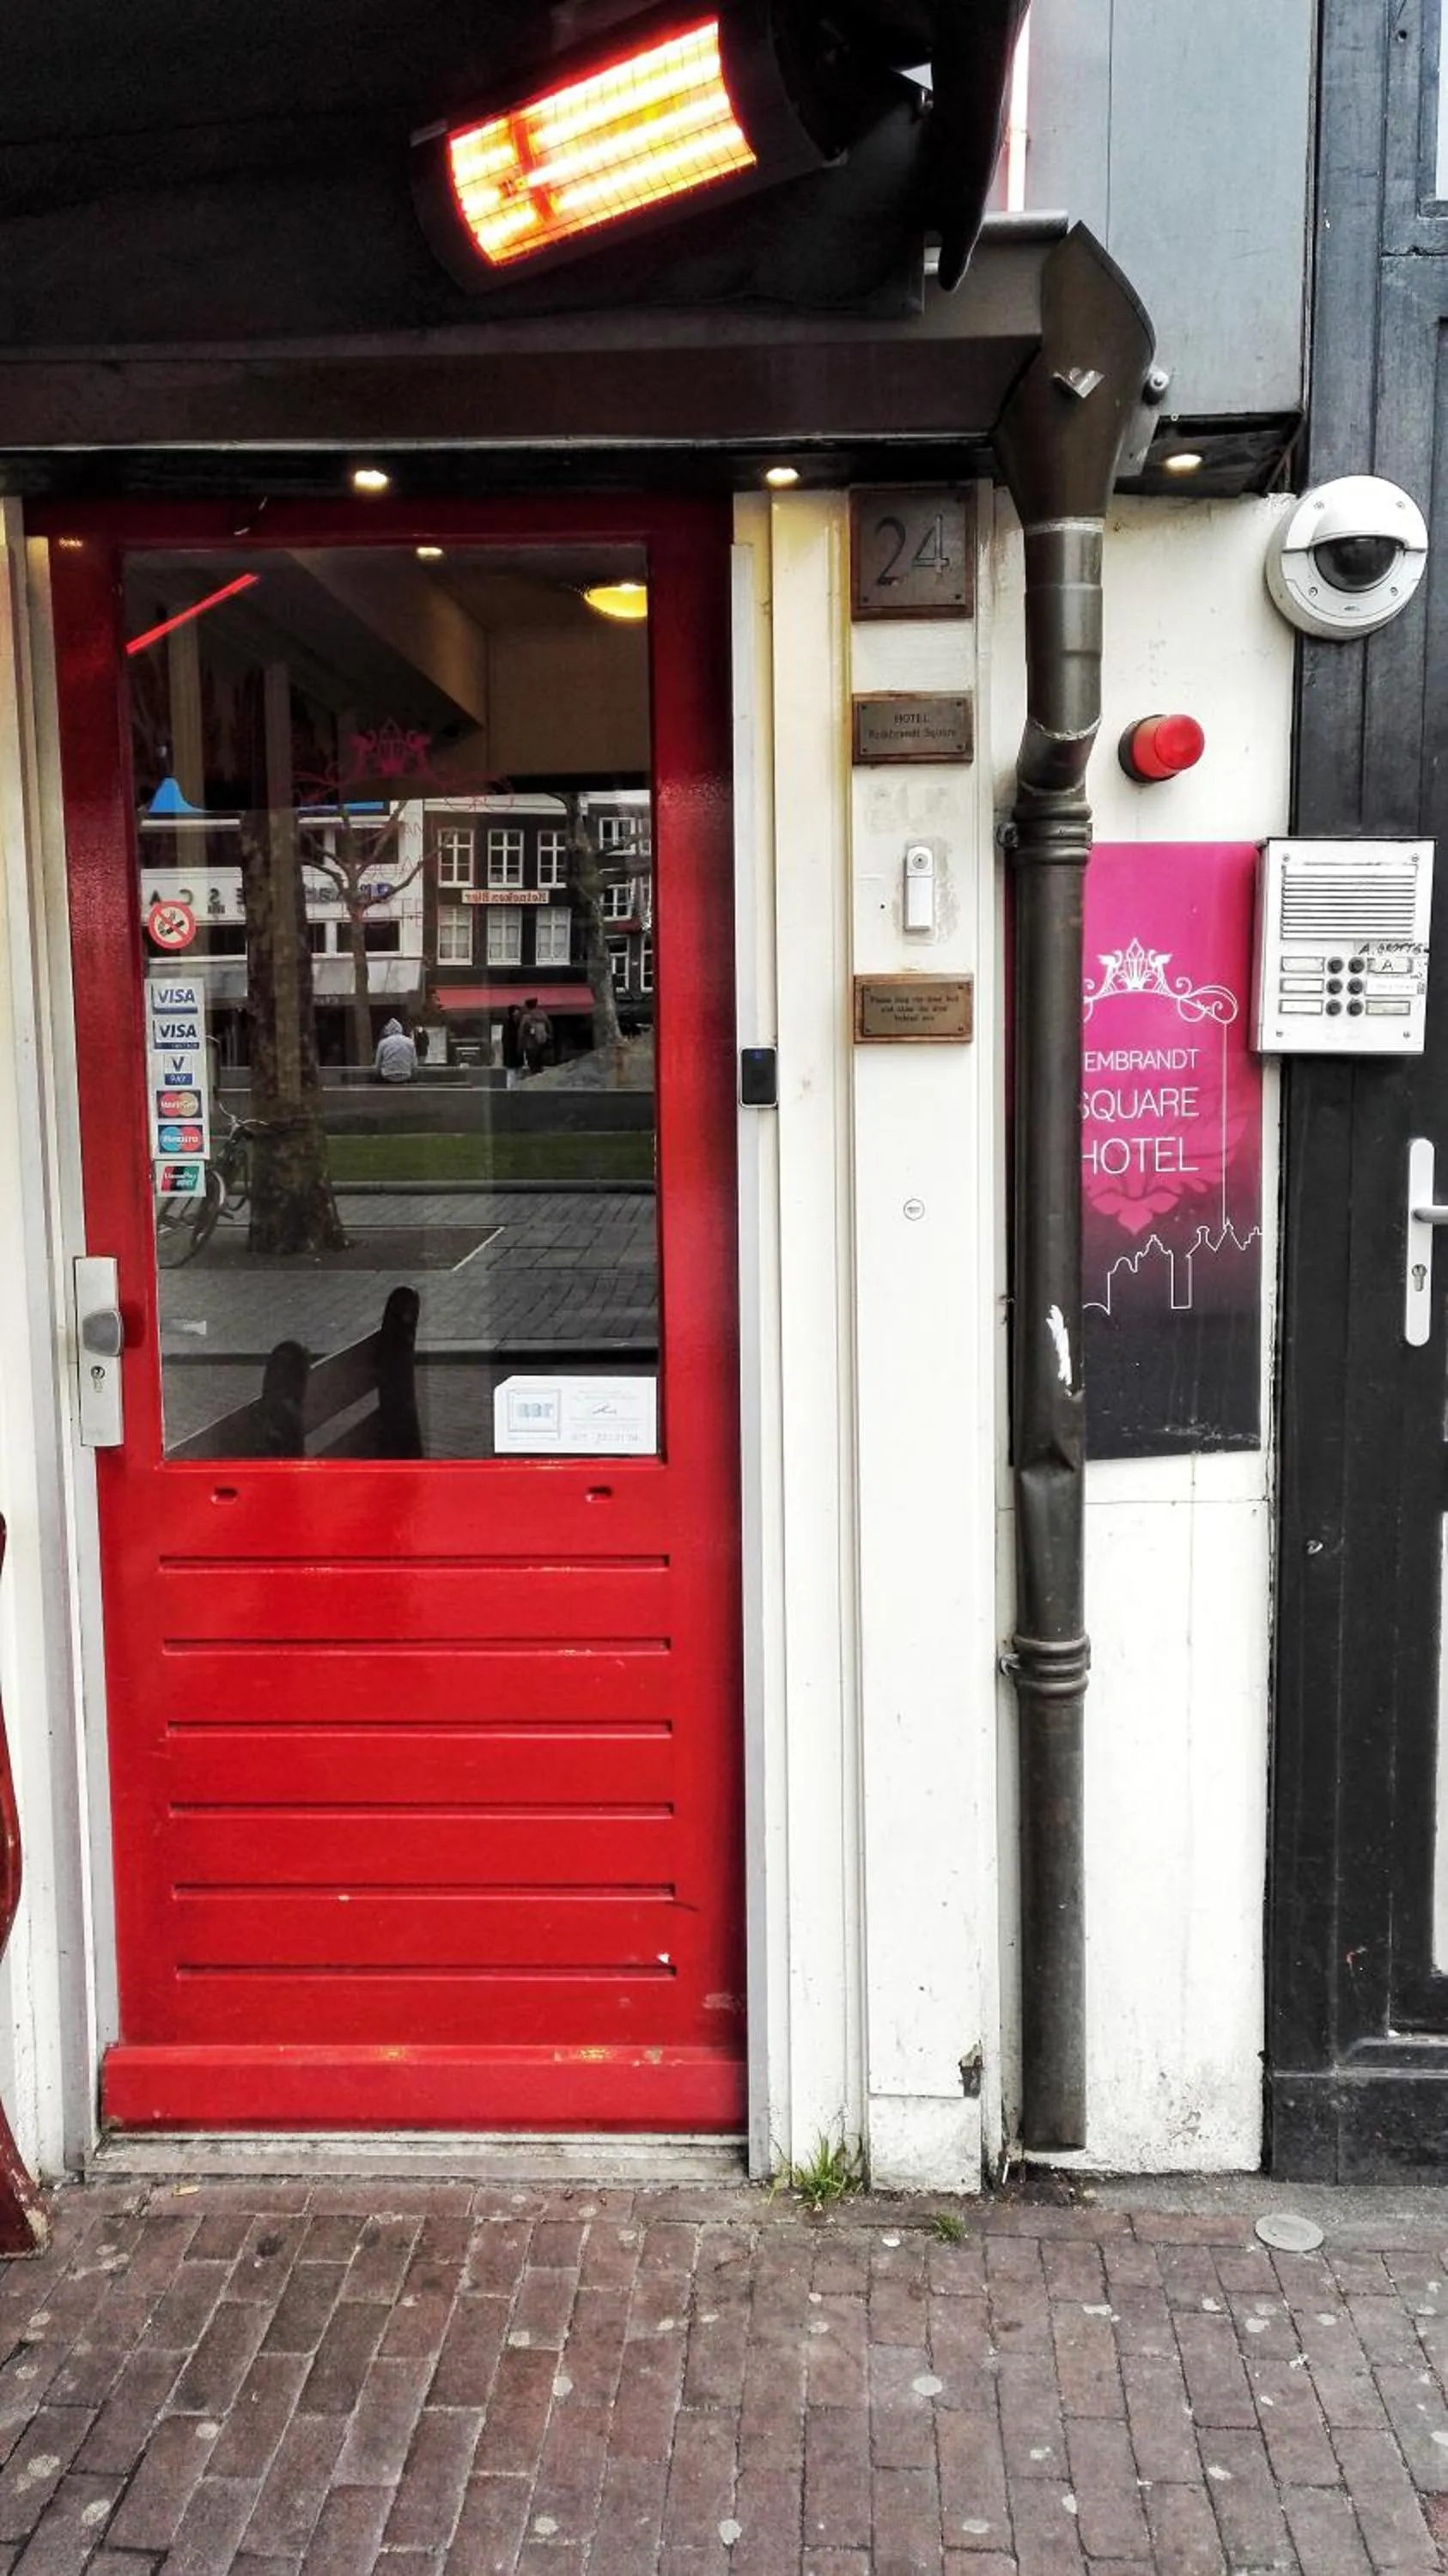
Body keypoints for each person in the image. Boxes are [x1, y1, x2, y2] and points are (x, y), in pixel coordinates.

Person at [374, 1017, 417, 1084]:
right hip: (405, 1075)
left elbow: (378, 1064)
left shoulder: (383, 1043)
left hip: (387, 1075)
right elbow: (414, 1064)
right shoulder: (410, 1042)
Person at [519, 997, 552, 1078]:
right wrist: (549, 1036)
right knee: (539, 1062)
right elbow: (549, 1026)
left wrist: (520, 1044)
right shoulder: (543, 1014)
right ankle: (540, 1076)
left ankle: (534, 1077)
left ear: (527, 1006)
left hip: (530, 1044)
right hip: (541, 1042)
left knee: (532, 1063)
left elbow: (521, 1031)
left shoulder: (526, 1017)